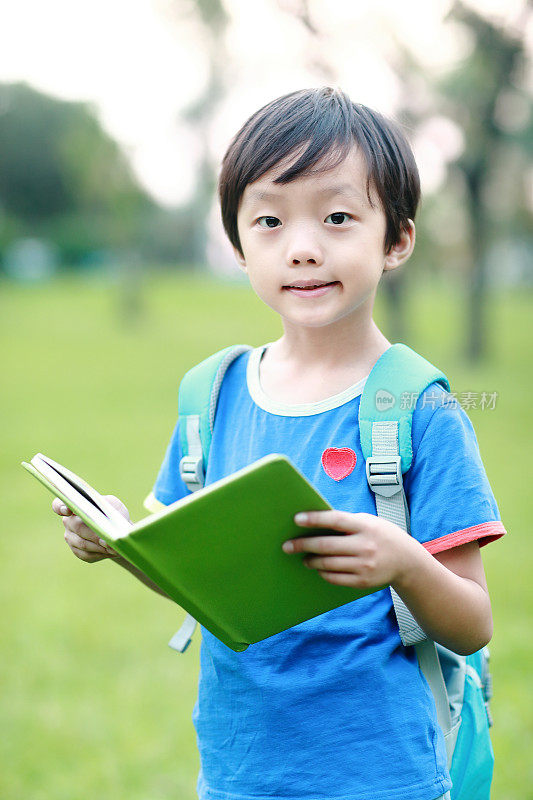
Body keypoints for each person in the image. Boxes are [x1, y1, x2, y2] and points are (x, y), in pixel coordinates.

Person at [53, 87, 506, 800]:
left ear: (396, 240)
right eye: (268, 220)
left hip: (380, 774)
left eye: (336, 217)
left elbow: (471, 624)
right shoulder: (213, 393)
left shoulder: (417, 405)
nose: (301, 248)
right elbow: (203, 586)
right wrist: (124, 541)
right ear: (237, 244)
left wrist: (401, 564)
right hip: (241, 771)